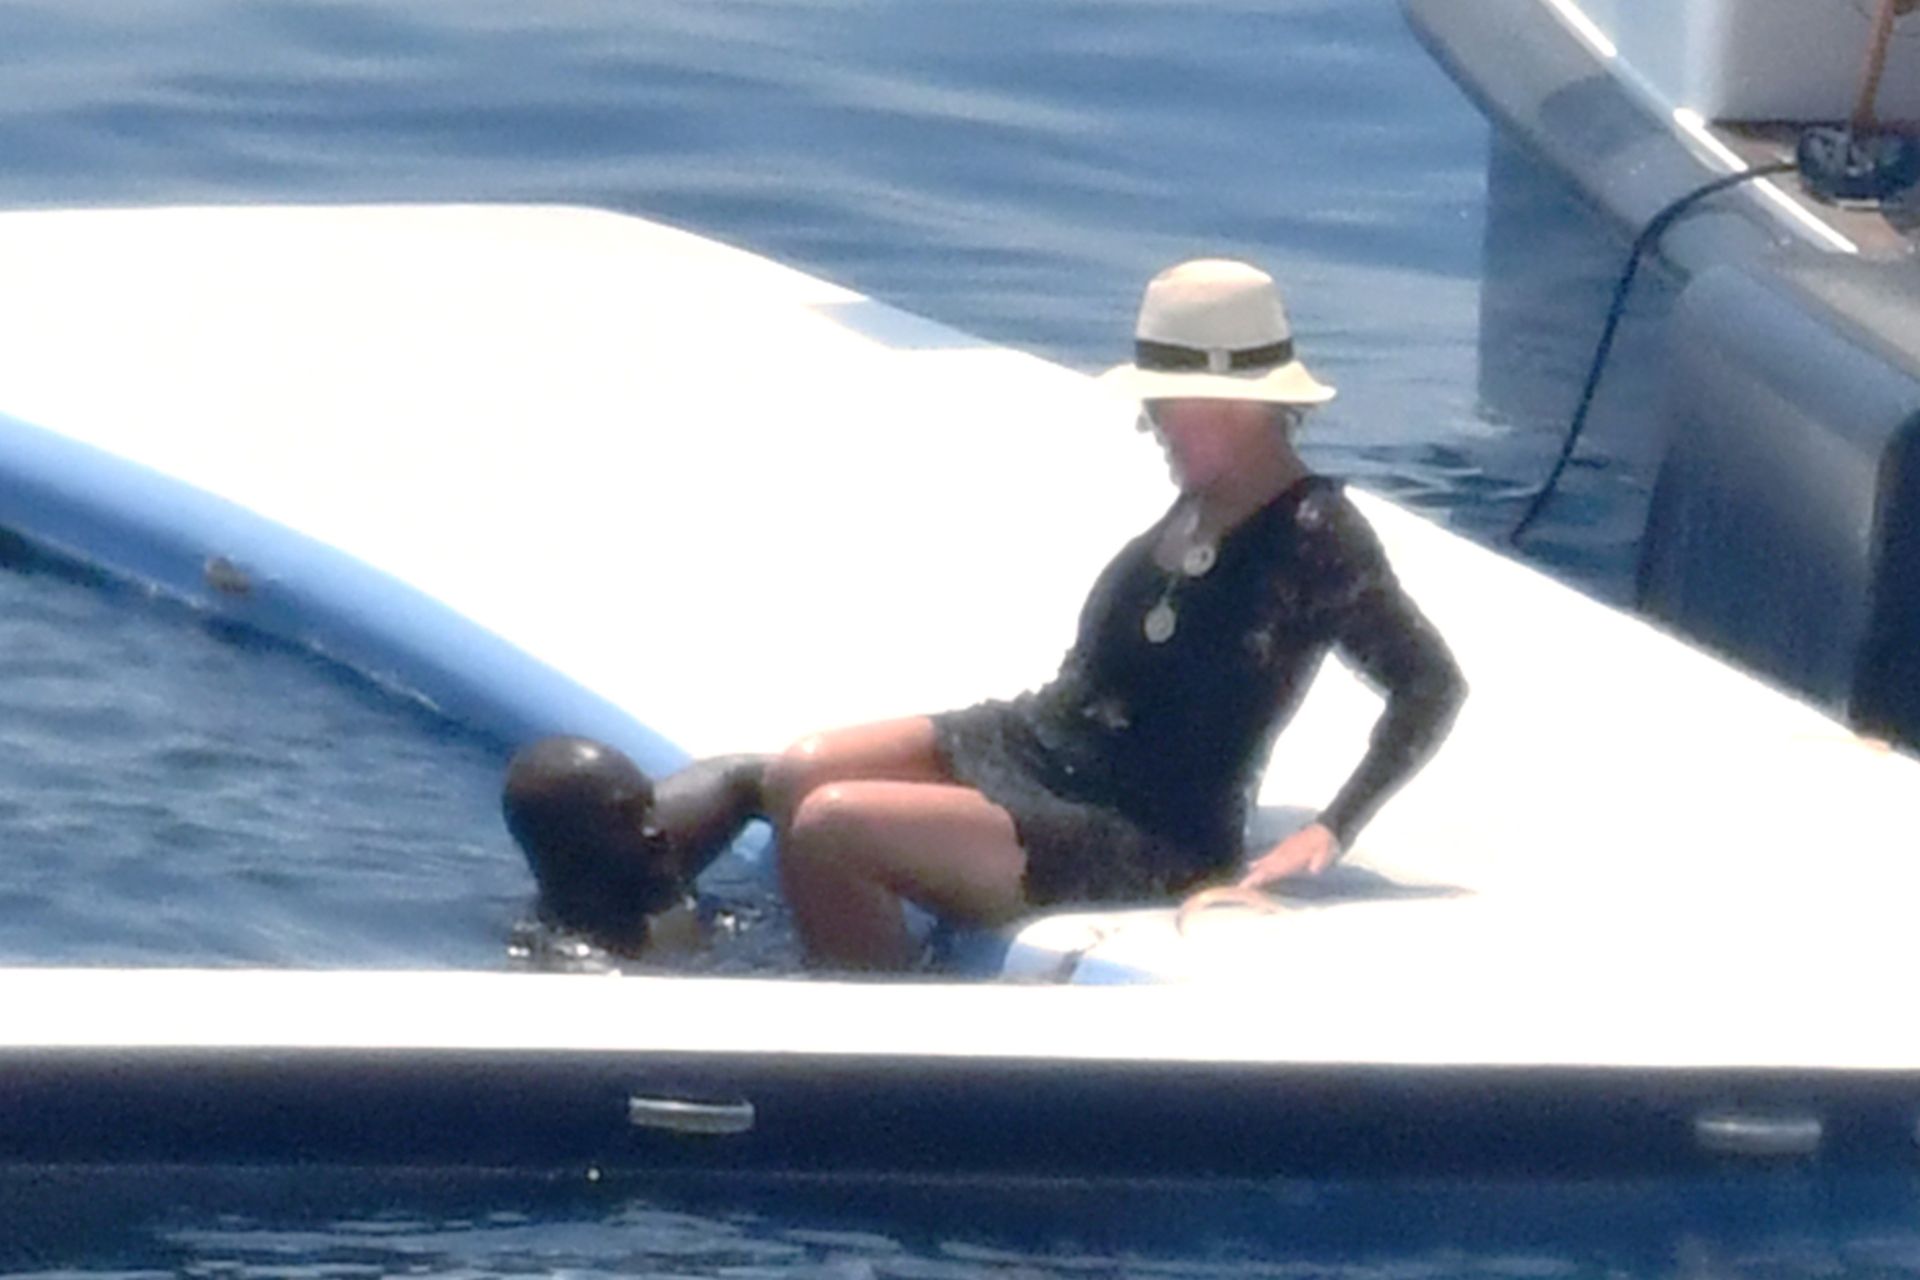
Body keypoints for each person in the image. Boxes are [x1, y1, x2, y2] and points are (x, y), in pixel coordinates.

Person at [503, 258, 1466, 970]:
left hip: (1139, 823)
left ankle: (868, 1038)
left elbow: (1429, 686)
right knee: (798, 770)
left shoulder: (1314, 534)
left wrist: (1329, 830)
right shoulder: (1199, 498)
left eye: (1167, 404)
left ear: (1236, 406)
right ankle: (631, 923)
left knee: (835, 825)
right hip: (1039, 743)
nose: (1151, 424)